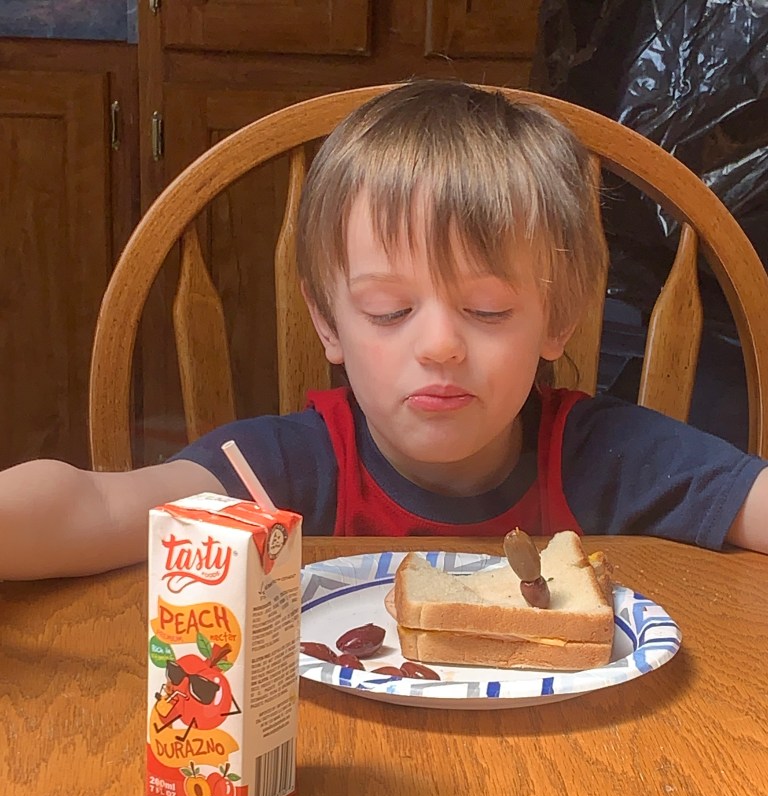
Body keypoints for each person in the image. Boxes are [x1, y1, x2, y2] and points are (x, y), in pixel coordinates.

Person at [1, 79, 767, 581]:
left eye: (488, 310)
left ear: (558, 318)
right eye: (389, 311)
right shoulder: (286, 471)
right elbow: (94, 510)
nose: (438, 346)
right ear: (328, 322)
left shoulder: (606, 459)